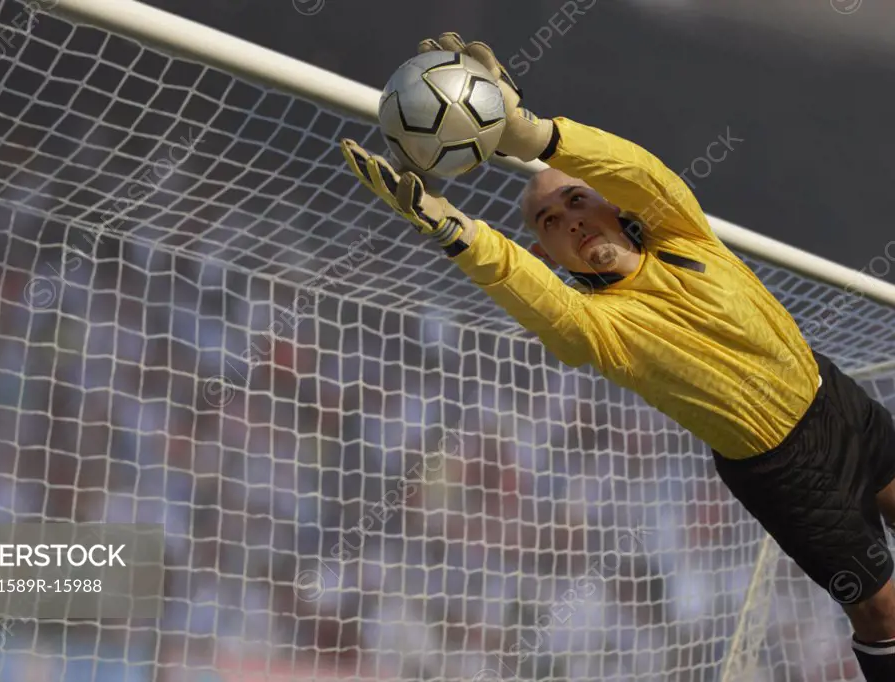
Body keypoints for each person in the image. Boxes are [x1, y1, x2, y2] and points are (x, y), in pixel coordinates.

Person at [339, 32, 895, 681]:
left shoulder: (682, 232)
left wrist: (529, 134)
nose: (570, 219)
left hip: (837, 401)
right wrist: (457, 231)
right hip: (781, 471)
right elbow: (538, 299)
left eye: (577, 199)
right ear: (546, 251)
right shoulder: (600, 326)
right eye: (549, 220)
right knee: (884, 614)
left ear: (610, 203)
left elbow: (638, 171)